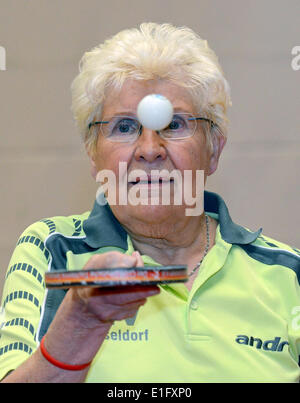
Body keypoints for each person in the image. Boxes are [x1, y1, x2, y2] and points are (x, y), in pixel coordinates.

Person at [1, 22, 300, 383]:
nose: (149, 150)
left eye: (174, 124)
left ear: (214, 149)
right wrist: (81, 321)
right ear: (93, 154)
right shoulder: (52, 250)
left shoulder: (288, 274)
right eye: (124, 127)